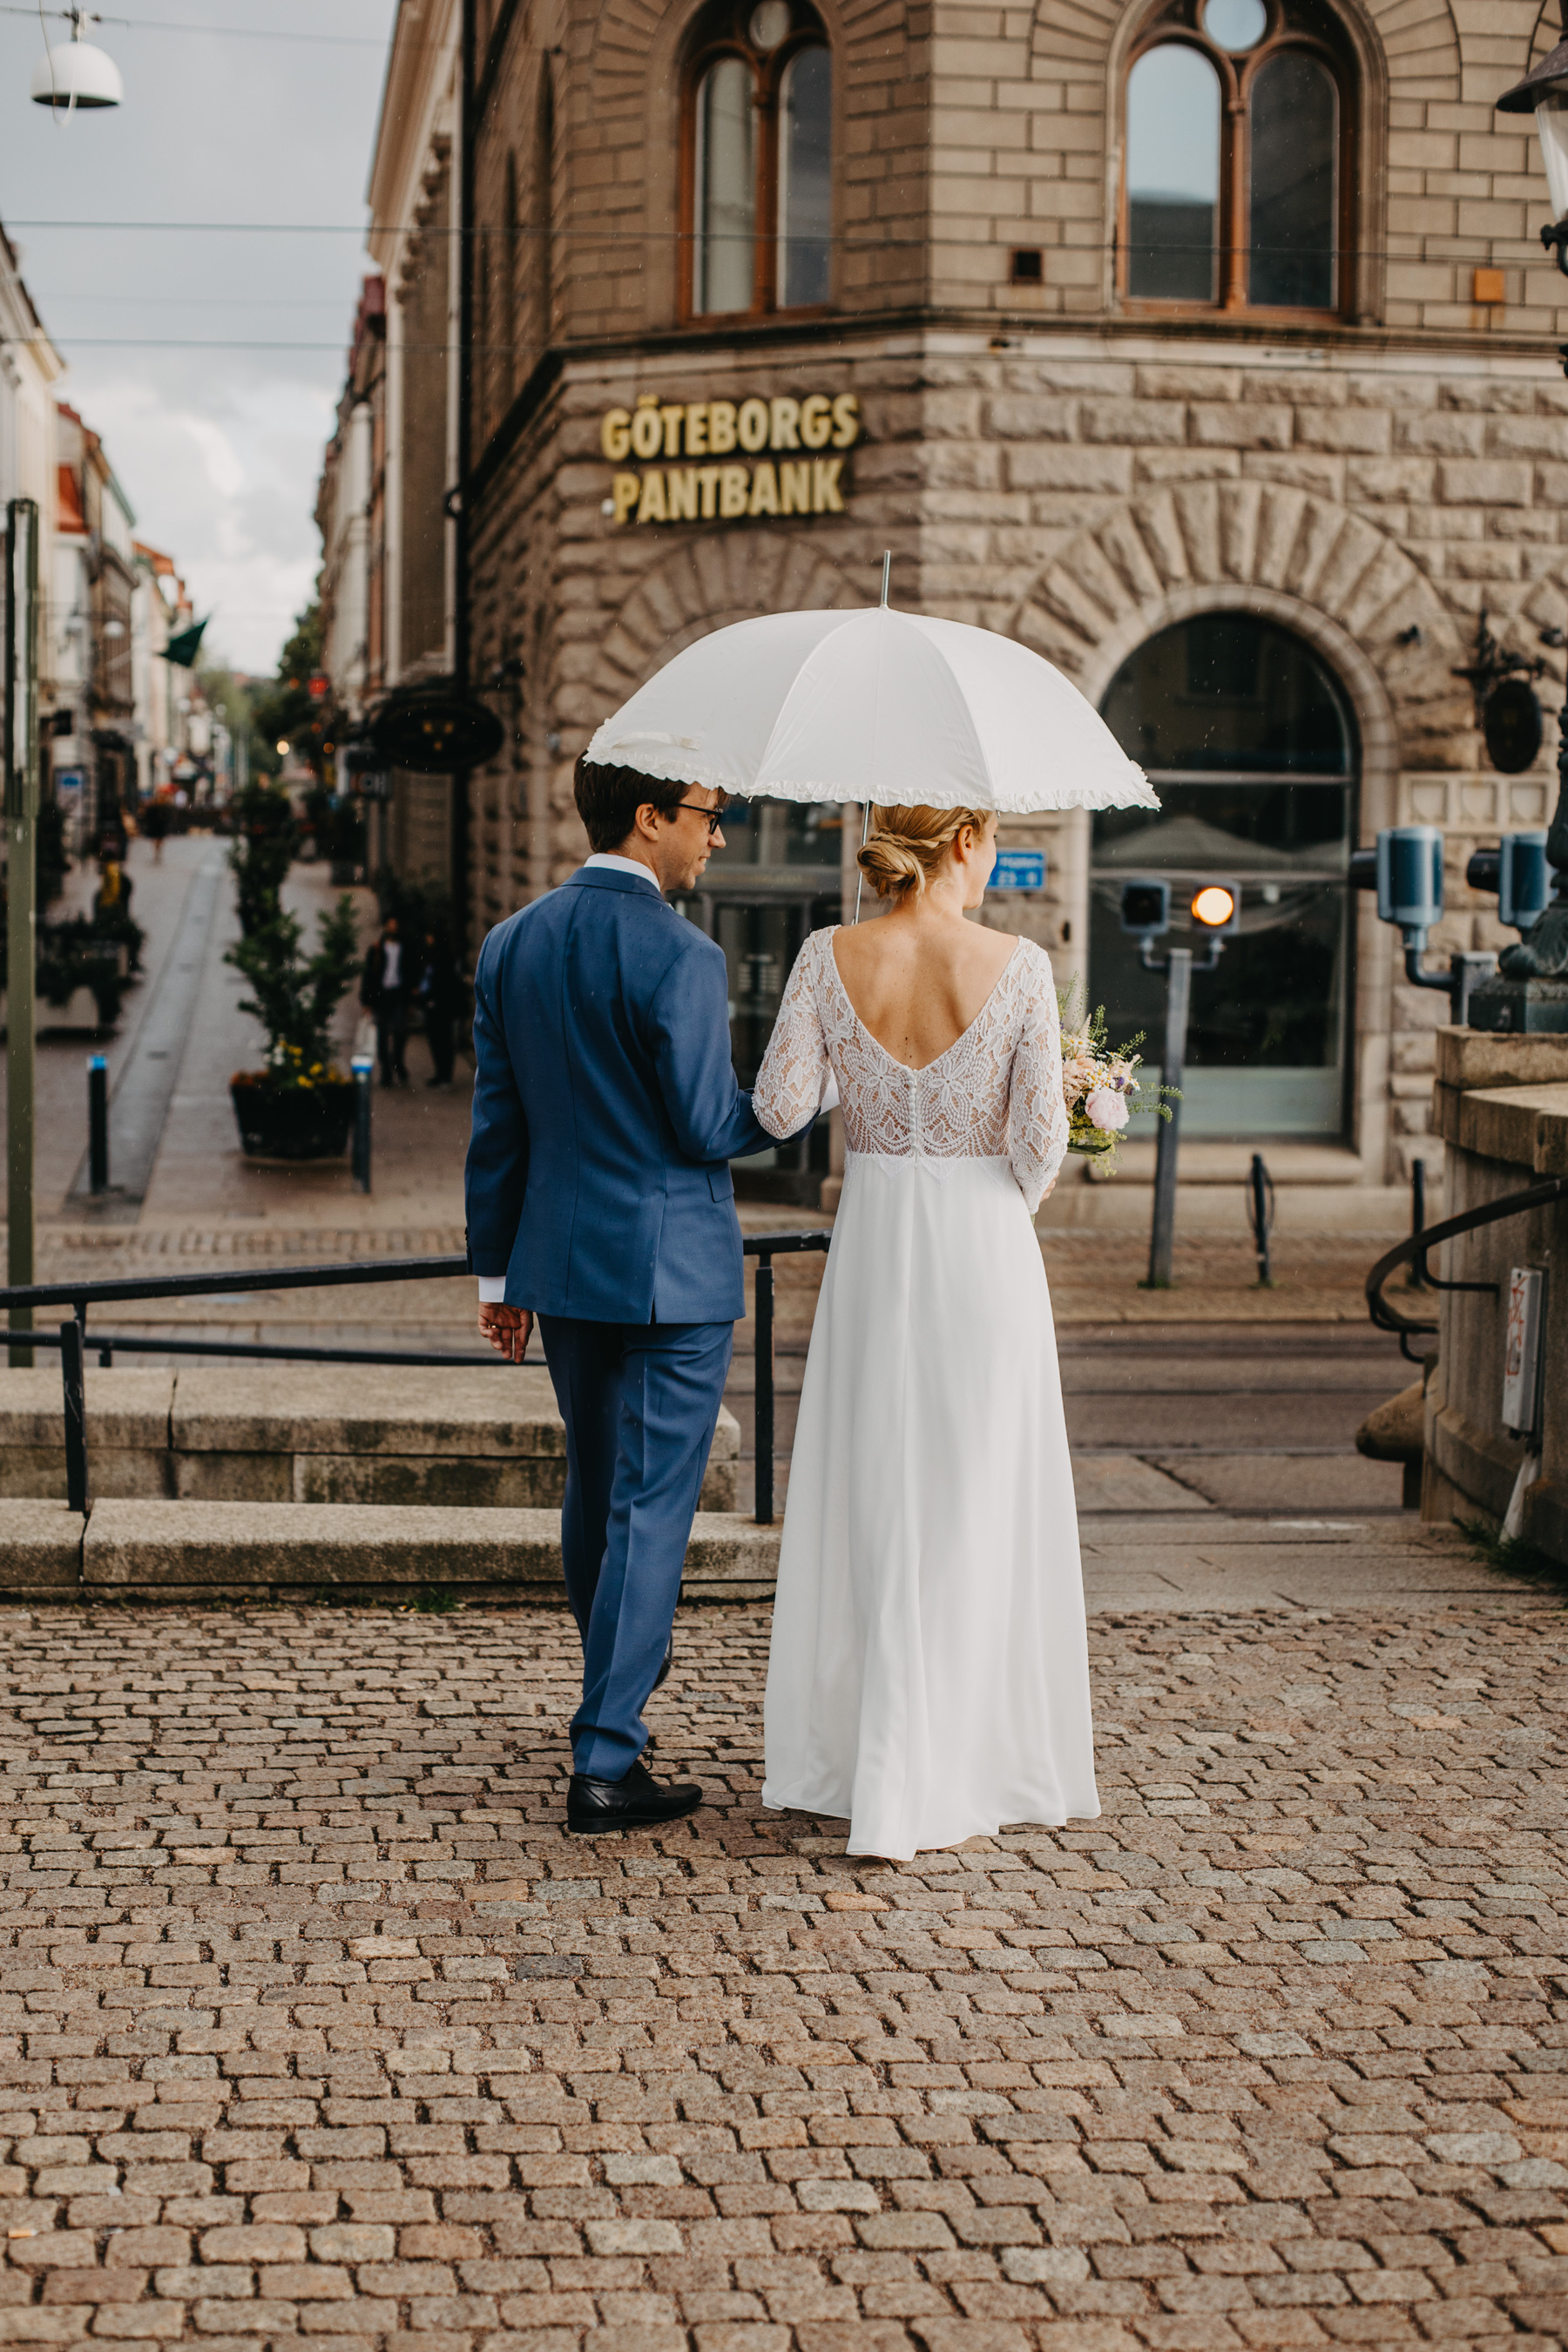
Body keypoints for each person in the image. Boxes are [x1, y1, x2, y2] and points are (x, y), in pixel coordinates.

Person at [465, 760, 814, 1835]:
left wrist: (496, 1274)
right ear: (650, 817)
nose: (718, 839)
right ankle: (607, 1757)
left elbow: (498, 1122)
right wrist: (798, 1097)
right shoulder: (684, 952)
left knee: (597, 1491)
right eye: (709, 818)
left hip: (561, 1267)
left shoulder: (511, 942)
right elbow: (710, 1127)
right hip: (673, 1275)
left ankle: (614, 1712)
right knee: (651, 1507)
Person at [750, 803, 1099, 1862]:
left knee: (874, 1489)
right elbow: (1041, 1147)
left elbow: (778, 1109)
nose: (992, 861)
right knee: (975, 1495)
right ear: (963, 843)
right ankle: (959, 1754)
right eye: (991, 842)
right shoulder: (1020, 965)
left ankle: (870, 1759)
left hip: (874, 1238)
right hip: (981, 1246)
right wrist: (987, 1206)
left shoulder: (826, 953)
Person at [361, 915, 409, 1086]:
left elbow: (410, 971)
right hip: (382, 995)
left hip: (397, 994)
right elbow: (368, 975)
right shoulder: (377, 949)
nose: (393, 928)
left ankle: (398, 1062)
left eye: (395, 924)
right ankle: (387, 1072)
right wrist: (366, 1001)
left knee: (400, 1031)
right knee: (382, 1035)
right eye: (390, 925)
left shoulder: (404, 948)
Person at [420, 929, 463, 1087]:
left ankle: (445, 1075)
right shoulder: (431, 956)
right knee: (436, 1042)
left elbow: (445, 983)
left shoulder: (444, 958)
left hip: (443, 1007)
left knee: (444, 1042)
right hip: (433, 1006)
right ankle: (440, 1074)